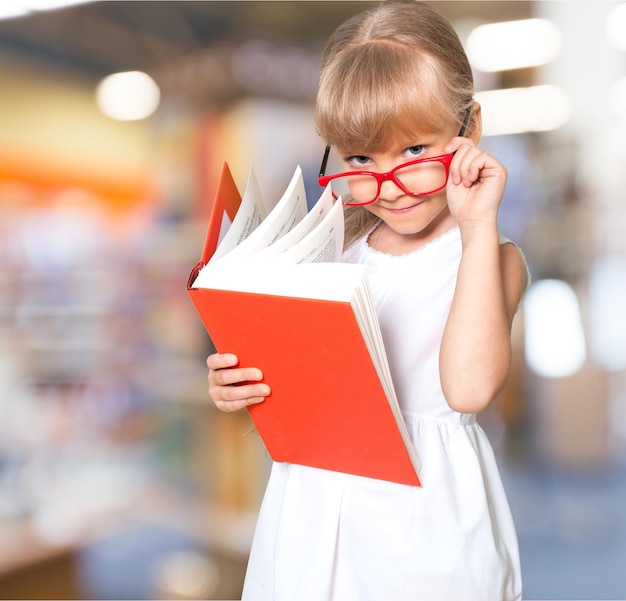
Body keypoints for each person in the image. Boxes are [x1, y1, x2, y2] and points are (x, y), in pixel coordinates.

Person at [207, 1, 529, 599]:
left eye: (413, 151)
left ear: (470, 129)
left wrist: (478, 225)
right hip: (312, 509)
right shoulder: (330, 256)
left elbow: (468, 390)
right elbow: (305, 393)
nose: (390, 185)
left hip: (424, 523)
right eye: (360, 159)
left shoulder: (488, 255)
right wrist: (237, 382)